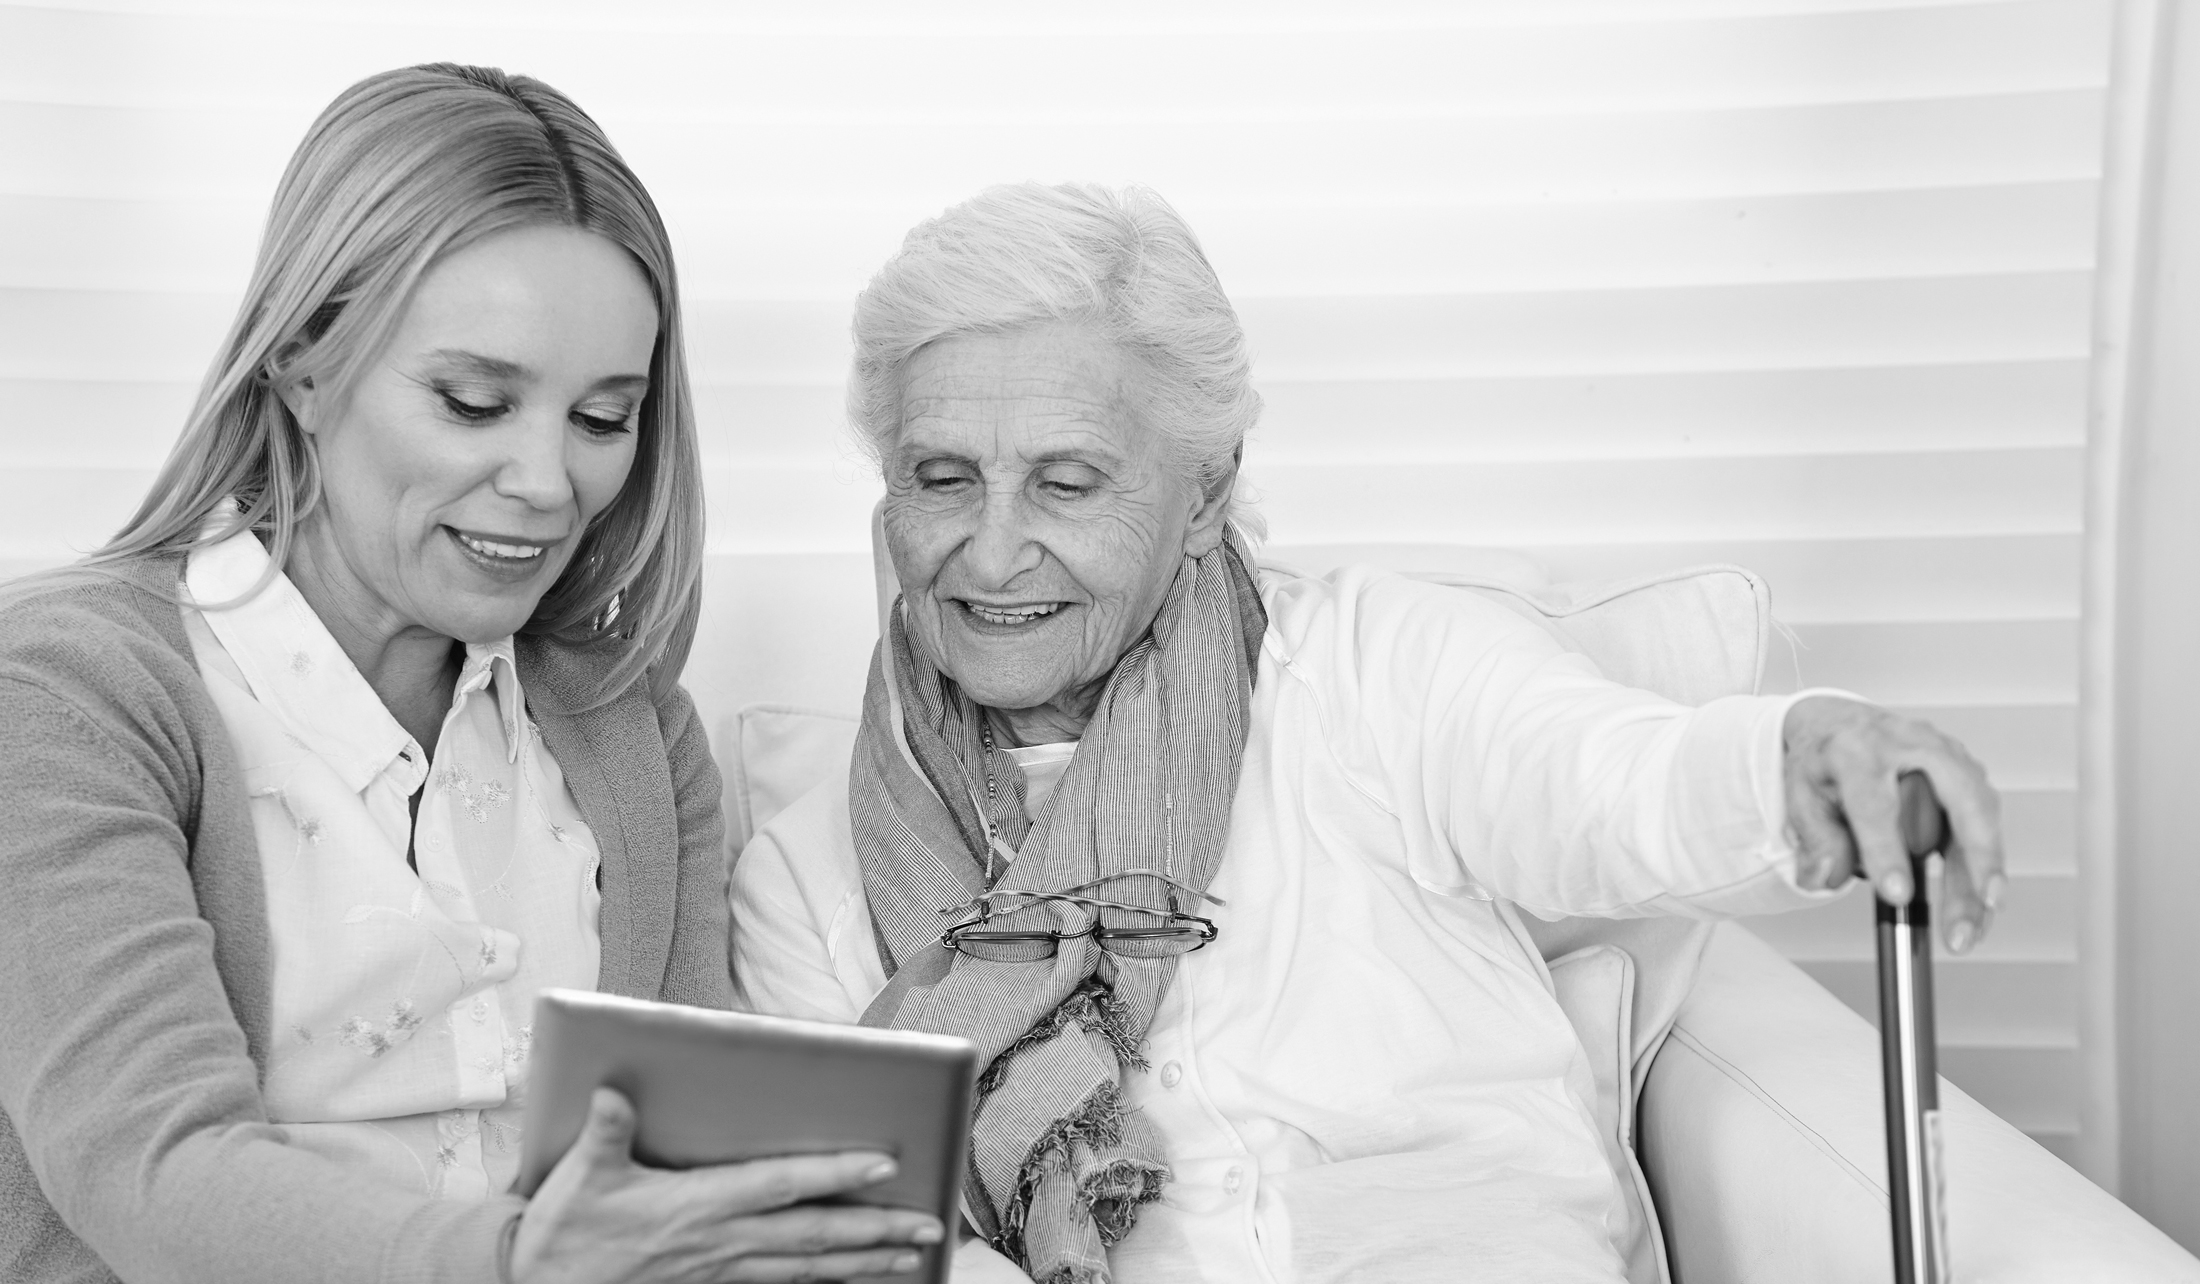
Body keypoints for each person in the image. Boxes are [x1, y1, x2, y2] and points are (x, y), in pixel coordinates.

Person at [729, 182, 2006, 1283]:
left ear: (1204, 490)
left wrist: (1798, 756)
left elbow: (1602, 783)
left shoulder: (1374, 666)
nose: (993, 551)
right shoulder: (806, 872)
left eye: (1067, 482)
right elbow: (873, 1243)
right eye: (943, 477)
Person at [0, 64, 940, 1283]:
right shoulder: (70, 692)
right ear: (304, 363)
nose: (548, 483)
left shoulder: (624, 720)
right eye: (474, 400)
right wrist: (524, 1260)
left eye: (603, 420)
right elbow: (149, 1169)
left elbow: (689, 1149)